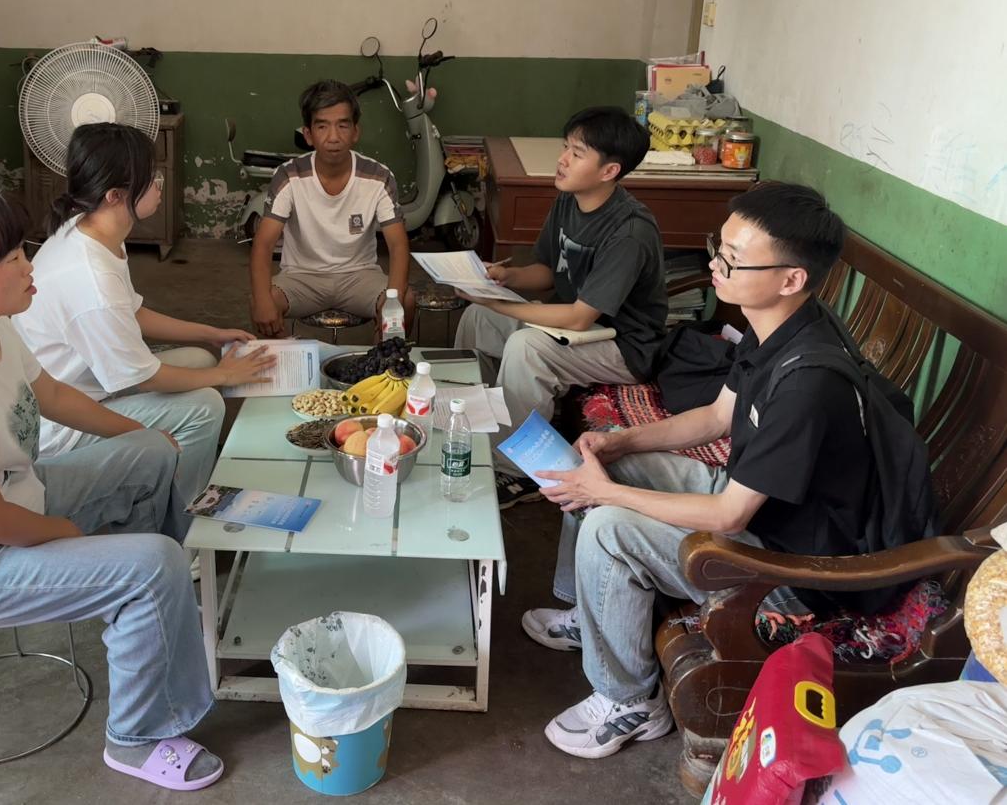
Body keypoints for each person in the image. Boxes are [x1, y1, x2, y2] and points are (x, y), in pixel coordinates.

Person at [0, 184, 222, 790]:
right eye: (10, 258)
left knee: (153, 454)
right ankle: (136, 737)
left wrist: (142, 434)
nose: (30, 267)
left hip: (17, 500)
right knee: (153, 566)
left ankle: (153, 616)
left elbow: (50, 394)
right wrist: (66, 534)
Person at [522, 183, 876, 761]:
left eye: (733, 259)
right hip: (761, 509)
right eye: (720, 248)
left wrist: (610, 494)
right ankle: (589, 614)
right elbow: (717, 416)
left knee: (610, 525)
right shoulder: (774, 327)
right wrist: (620, 442)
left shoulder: (809, 382)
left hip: (789, 567)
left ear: (791, 279)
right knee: (604, 461)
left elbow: (729, 515)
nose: (715, 265)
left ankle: (630, 702)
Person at [13, 123, 275, 512]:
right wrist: (225, 375)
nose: (159, 185)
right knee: (206, 405)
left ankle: (174, 479)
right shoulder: (90, 278)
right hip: (64, 425)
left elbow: (132, 312)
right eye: (151, 179)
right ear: (115, 195)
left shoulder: (91, 230)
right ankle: (183, 519)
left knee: (200, 358)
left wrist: (211, 333)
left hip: (91, 383)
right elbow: (143, 376)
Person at [453, 106, 667, 506]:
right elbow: (548, 272)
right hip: (576, 328)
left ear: (609, 171)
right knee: (478, 317)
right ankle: (472, 424)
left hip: (625, 346)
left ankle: (517, 471)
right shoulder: (570, 201)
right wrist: (504, 278)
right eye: (565, 147)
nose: (562, 159)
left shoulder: (629, 232)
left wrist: (503, 305)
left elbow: (580, 317)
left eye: (577, 153)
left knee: (527, 347)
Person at [249, 79, 415, 337]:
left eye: (343, 125)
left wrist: (393, 301)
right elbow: (263, 244)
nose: (333, 137)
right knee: (261, 302)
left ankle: (383, 362)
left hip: (359, 276)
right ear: (308, 135)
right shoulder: (289, 175)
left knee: (404, 303)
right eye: (322, 126)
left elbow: (398, 245)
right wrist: (262, 300)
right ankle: (290, 361)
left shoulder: (378, 176)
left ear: (356, 132)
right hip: (301, 277)